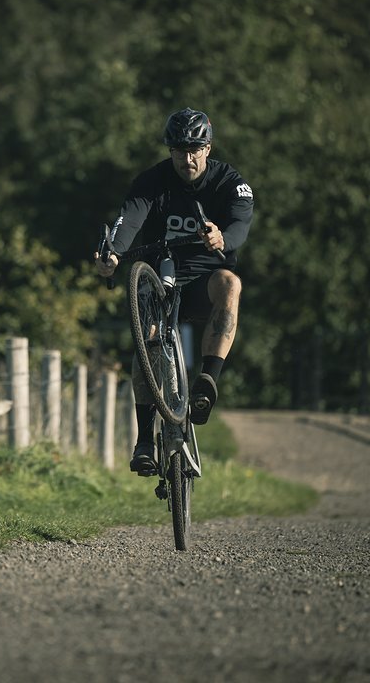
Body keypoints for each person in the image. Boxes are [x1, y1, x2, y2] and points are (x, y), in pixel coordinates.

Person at [93, 107, 254, 475]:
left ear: (208, 148)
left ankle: (207, 381)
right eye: (180, 149)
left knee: (231, 284)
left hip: (203, 282)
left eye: (195, 148)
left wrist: (223, 237)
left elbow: (241, 224)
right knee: (147, 335)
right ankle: (145, 440)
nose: (188, 157)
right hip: (159, 275)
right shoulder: (153, 181)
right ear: (170, 151)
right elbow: (128, 219)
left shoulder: (229, 182)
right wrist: (112, 254)